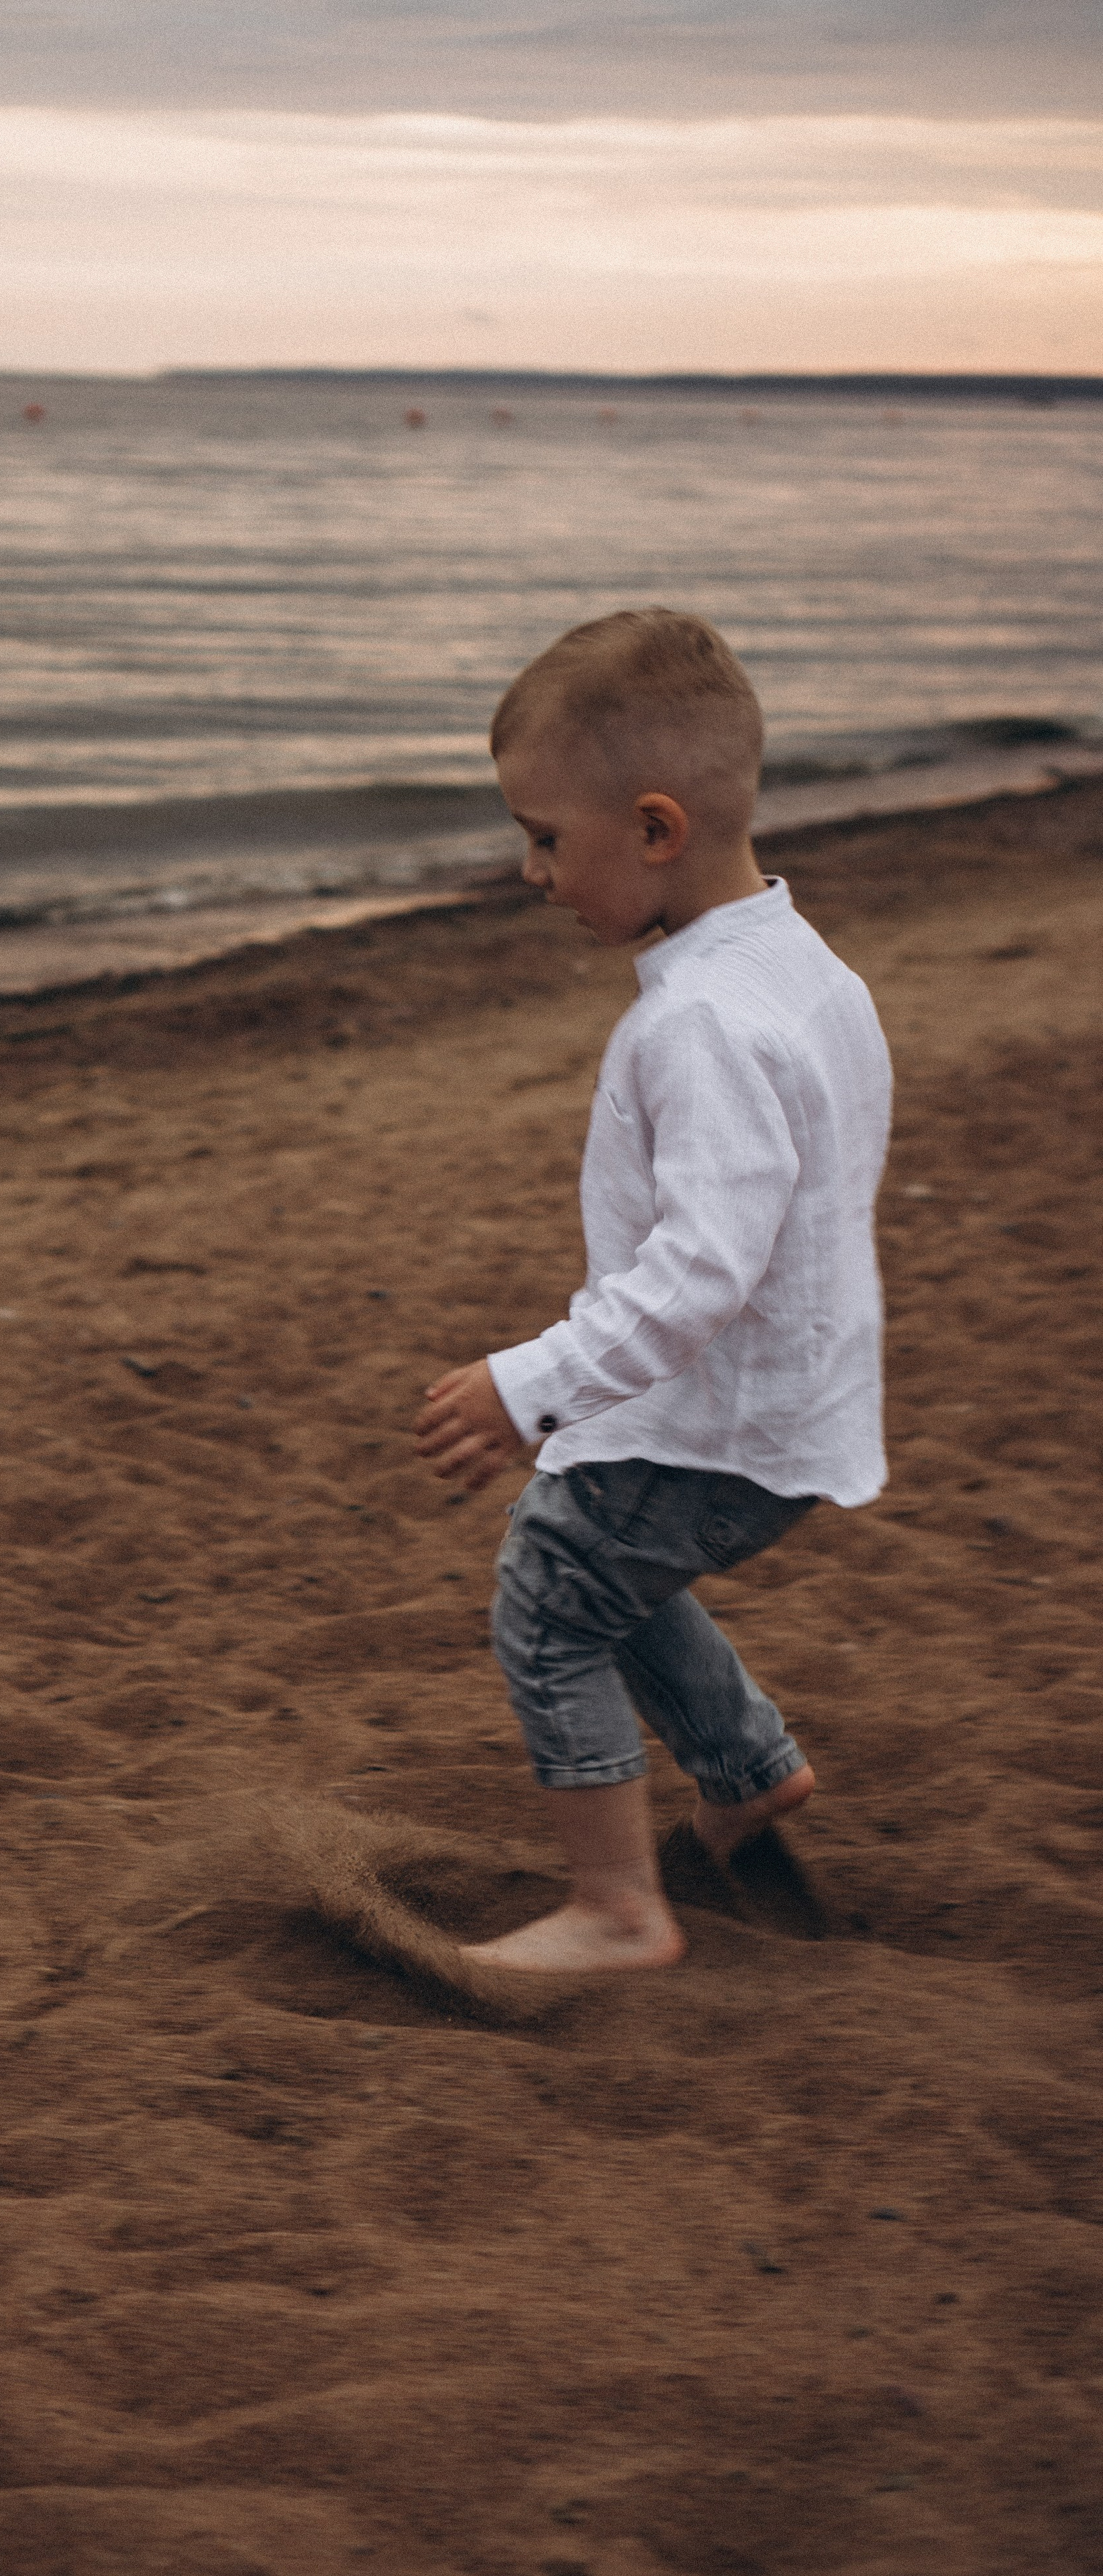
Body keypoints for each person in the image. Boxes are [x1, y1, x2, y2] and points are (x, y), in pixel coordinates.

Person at [414, 608, 892, 1972]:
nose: (530, 870)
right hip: (791, 1399)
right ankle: (742, 1772)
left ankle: (617, 1908)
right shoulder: (802, 970)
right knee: (601, 1553)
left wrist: (527, 1383)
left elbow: (699, 1271)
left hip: (731, 1417)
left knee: (552, 1583)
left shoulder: (699, 1024)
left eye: (547, 838)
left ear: (656, 829)